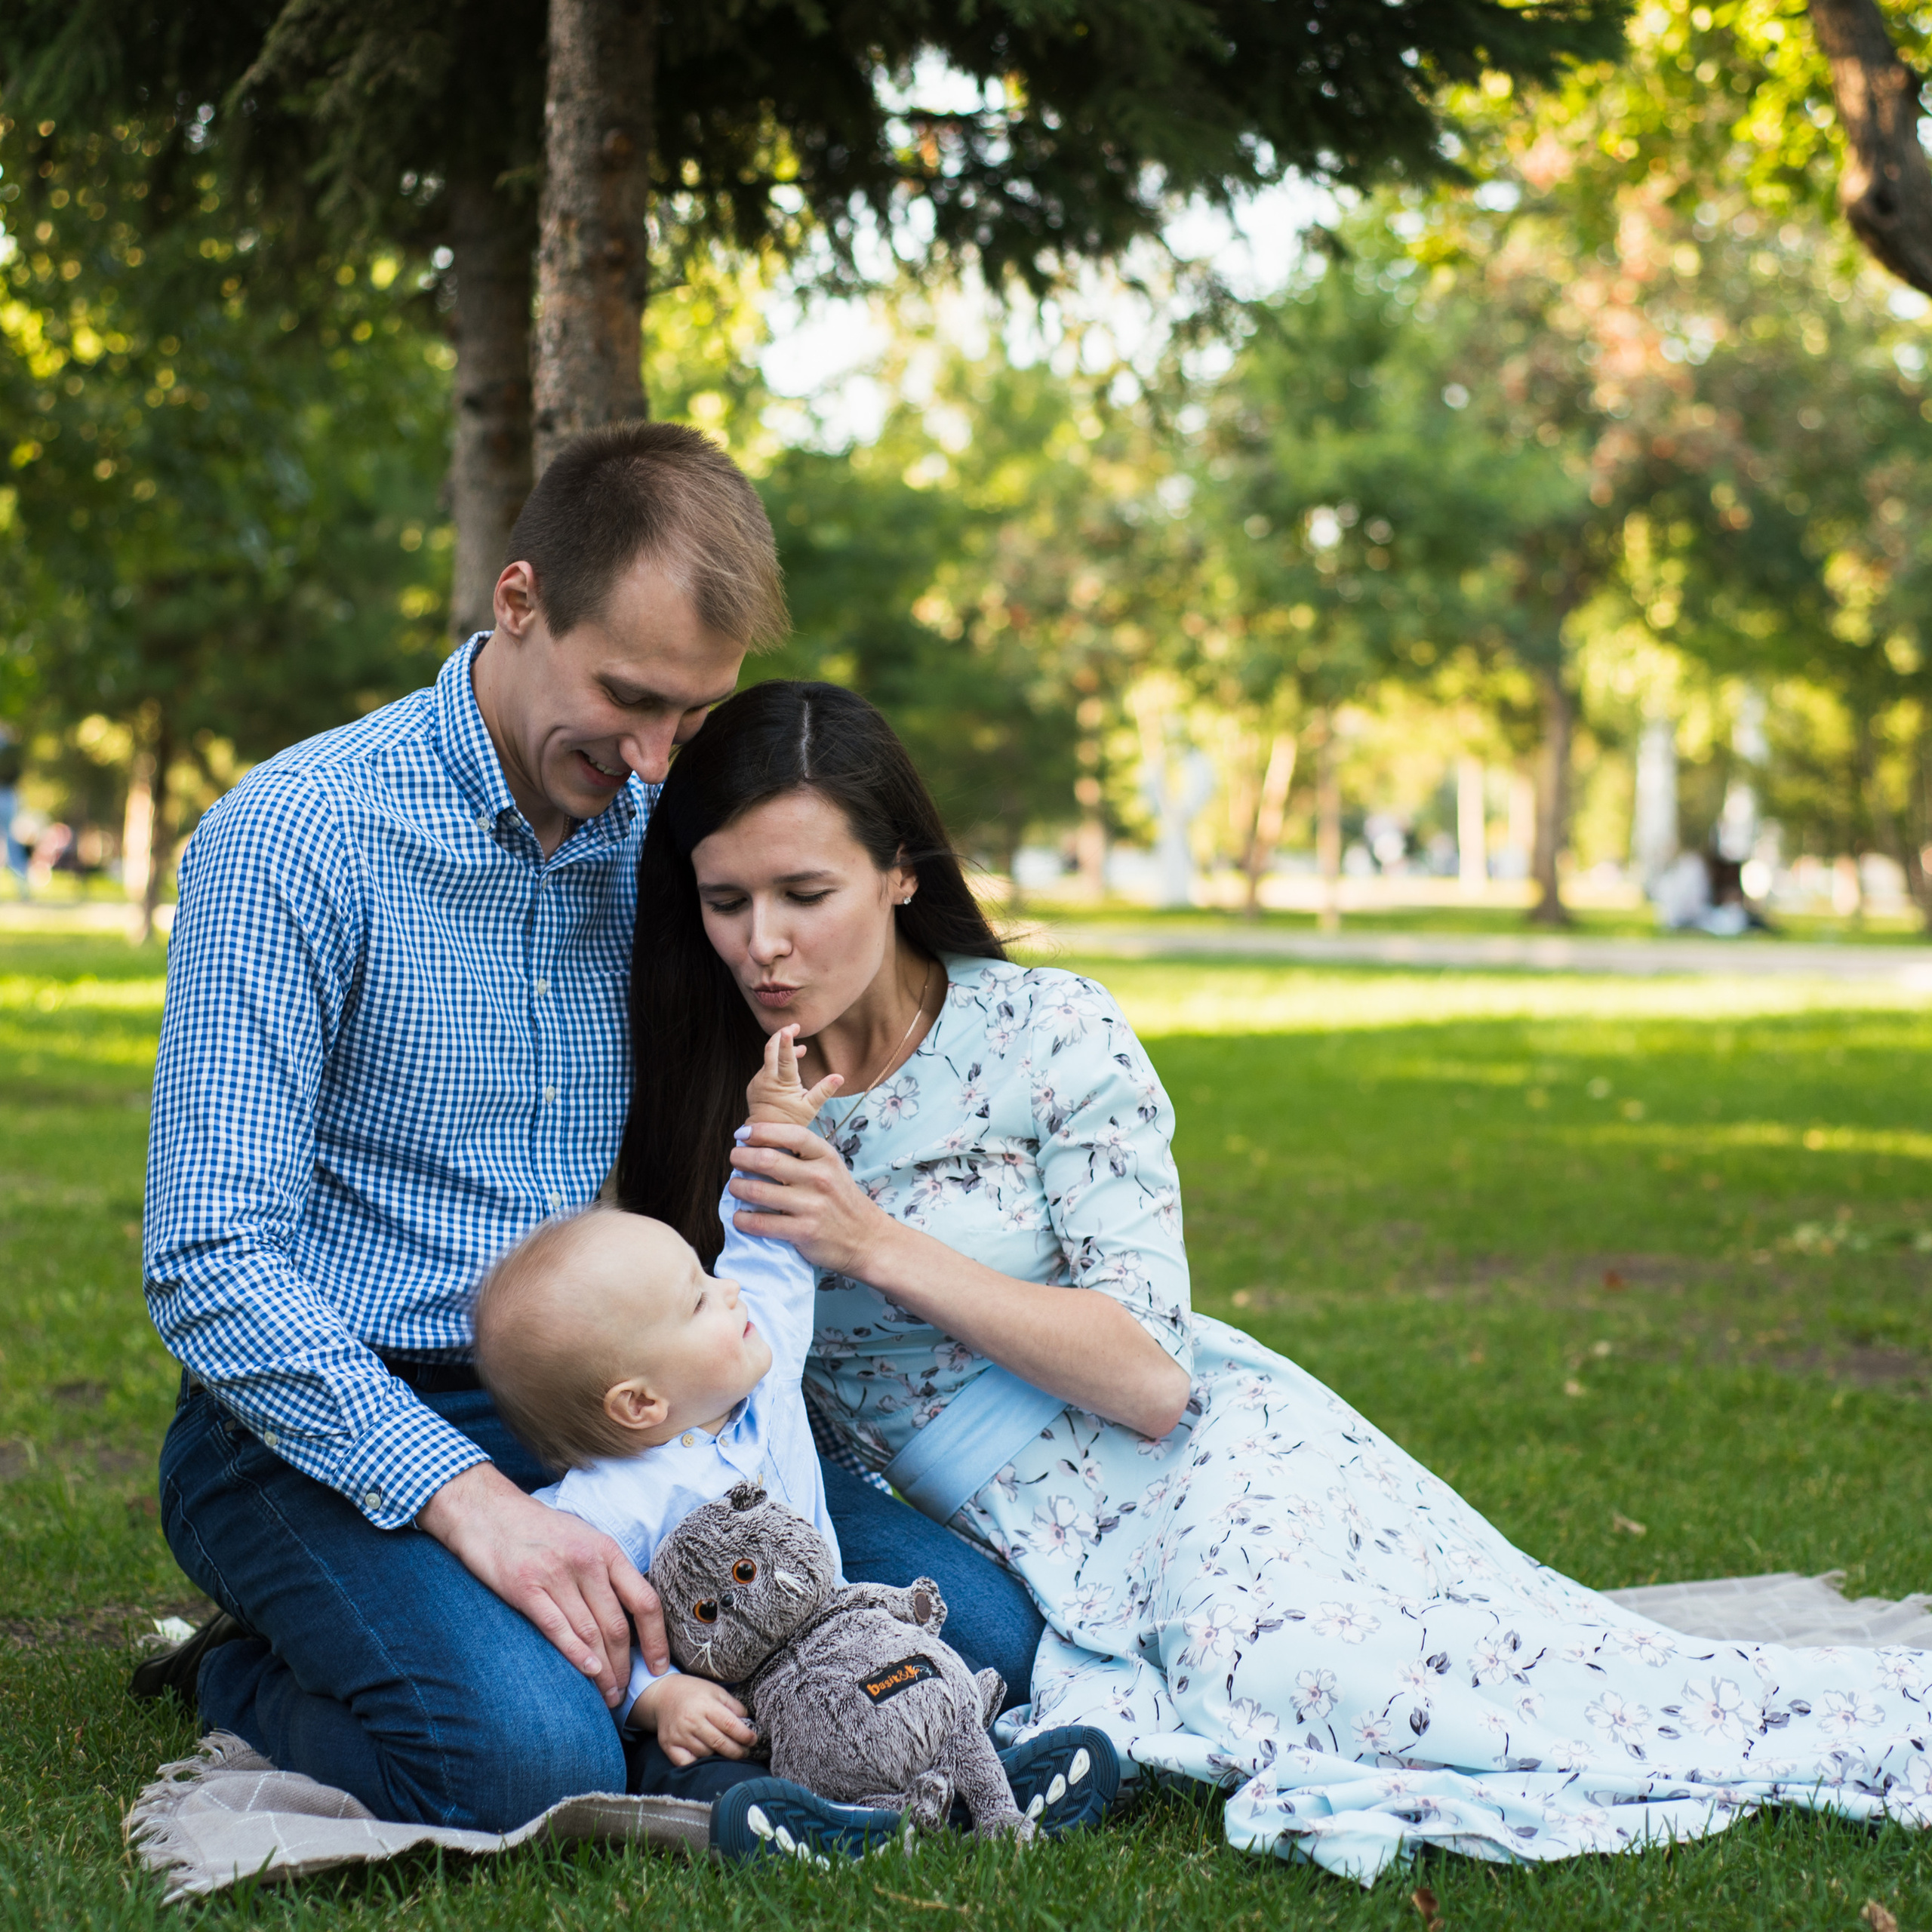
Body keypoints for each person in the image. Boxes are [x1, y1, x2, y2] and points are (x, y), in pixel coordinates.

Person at [622, 678, 1932, 1884]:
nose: (764, 945)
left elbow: (1149, 1375)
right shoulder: (705, 1073)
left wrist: (873, 1244)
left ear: (902, 871)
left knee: (1357, 1688)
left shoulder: (1048, 1032)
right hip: (930, 1516)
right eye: (726, 901)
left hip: (1188, 1468)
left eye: (806, 893)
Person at [134, 425, 1045, 1854]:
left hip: (629, 1397)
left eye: (691, 715)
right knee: (523, 1753)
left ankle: (696, 1728)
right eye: (627, 700)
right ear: (517, 604)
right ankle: (249, 1668)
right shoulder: (295, 840)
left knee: (979, 1626)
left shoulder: (655, 832)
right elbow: (206, 1259)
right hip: (325, 1419)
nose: (650, 763)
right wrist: (475, 1505)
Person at [475, 1024, 1113, 1835]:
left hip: (846, 1642)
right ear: (637, 1403)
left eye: (708, 1275)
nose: (727, 1292)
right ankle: (805, 1826)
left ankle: (980, 1779)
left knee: (934, 1672)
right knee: (696, 1762)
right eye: (697, 1300)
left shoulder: (762, 1378)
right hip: (745, 1707)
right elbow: (588, 1629)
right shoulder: (601, 1509)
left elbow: (765, 1249)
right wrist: (656, 1697)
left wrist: (772, 1125)